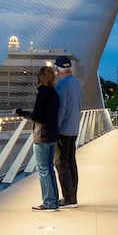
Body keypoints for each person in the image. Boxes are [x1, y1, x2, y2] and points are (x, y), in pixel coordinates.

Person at [14, 64, 59, 211]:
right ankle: (54, 201)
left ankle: (49, 203)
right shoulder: (54, 94)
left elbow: (36, 116)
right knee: (49, 169)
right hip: (52, 135)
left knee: (42, 170)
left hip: (42, 135)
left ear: (41, 78)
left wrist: (20, 112)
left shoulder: (43, 94)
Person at [53, 56, 83, 207]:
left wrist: (55, 129)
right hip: (74, 128)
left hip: (63, 129)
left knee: (60, 162)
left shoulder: (61, 86)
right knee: (71, 161)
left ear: (58, 69)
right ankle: (73, 195)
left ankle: (68, 197)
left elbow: (60, 110)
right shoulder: (77, 83)